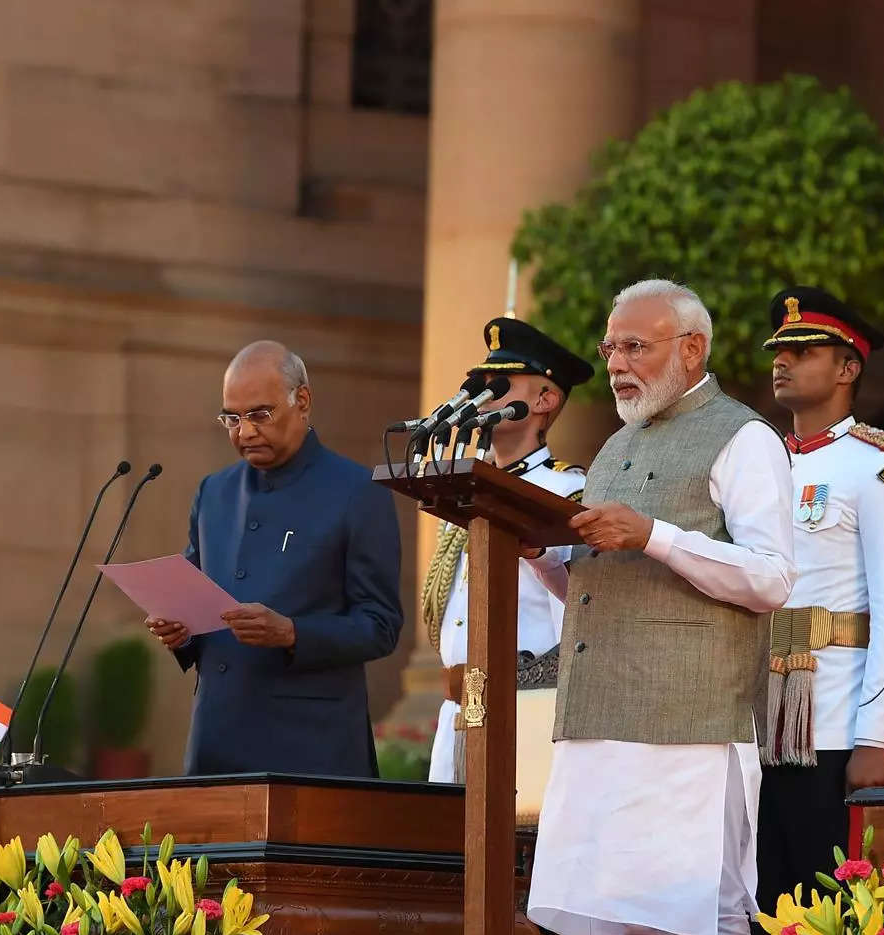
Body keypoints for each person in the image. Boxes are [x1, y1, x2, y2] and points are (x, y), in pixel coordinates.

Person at [522, 280, 794, 935]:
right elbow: (603, 590)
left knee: (704, 924)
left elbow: (771, 576)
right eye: (611, 347)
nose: (615, 363)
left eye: (634, 345)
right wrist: (545, 561)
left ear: (692, 349)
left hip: (692, 726)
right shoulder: (616, 445)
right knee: (645, 930)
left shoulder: (742, 438)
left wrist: (654, 535)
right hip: (607, 717)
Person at [147, 341, 403, 777]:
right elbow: (198, 606)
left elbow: (380, 626)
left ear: (302, 401)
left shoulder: (357, 491)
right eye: (231, 418)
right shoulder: (214, 493)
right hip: (217, 741)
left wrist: (292, 632)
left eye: (259, 415)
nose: (243, 432)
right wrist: (179, 631)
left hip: (310, 748)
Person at [758, 289, 884, 916]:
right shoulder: (760, 462)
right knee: (760, 908)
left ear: (849, 368)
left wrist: (877, 737)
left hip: (832, 720)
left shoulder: (883, 469)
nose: (784, 362)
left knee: (825, 908)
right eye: (780, 351)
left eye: (803, 351)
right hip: (755, 715)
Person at [423, 317, 593, 784]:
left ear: (544, 400)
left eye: (500, 384)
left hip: (528, 703)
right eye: (479, 383)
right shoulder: (465, 489)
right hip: (457, 705)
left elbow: (582, 603)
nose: (484, 394)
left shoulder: (567, 491)